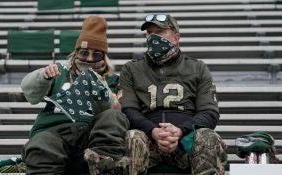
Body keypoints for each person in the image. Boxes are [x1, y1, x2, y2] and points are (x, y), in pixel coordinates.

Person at [119, 14, 227, 175]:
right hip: (148, 141)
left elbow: (209, 112)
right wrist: (154, 131)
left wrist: (180, 131)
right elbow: (128, 110)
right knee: (132, 137)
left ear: (176, 37)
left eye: (160, 32)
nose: (153, 37)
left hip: (186, 141)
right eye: (149, 33)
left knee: (207, 136)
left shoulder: (197, 68)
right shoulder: (131, 69)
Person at [21, 16, 129, 175]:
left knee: (112, 117)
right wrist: (43, 76)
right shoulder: (60, 71)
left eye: (97, 55)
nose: (90, 59)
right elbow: (30, 92)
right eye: (84, 53)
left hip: (91, 139)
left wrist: (100, 88)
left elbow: (117, 110)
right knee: (44, 142)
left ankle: (103, 162)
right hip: (55, 135)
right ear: (76, 53)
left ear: (104, 57)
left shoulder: (113, 80)